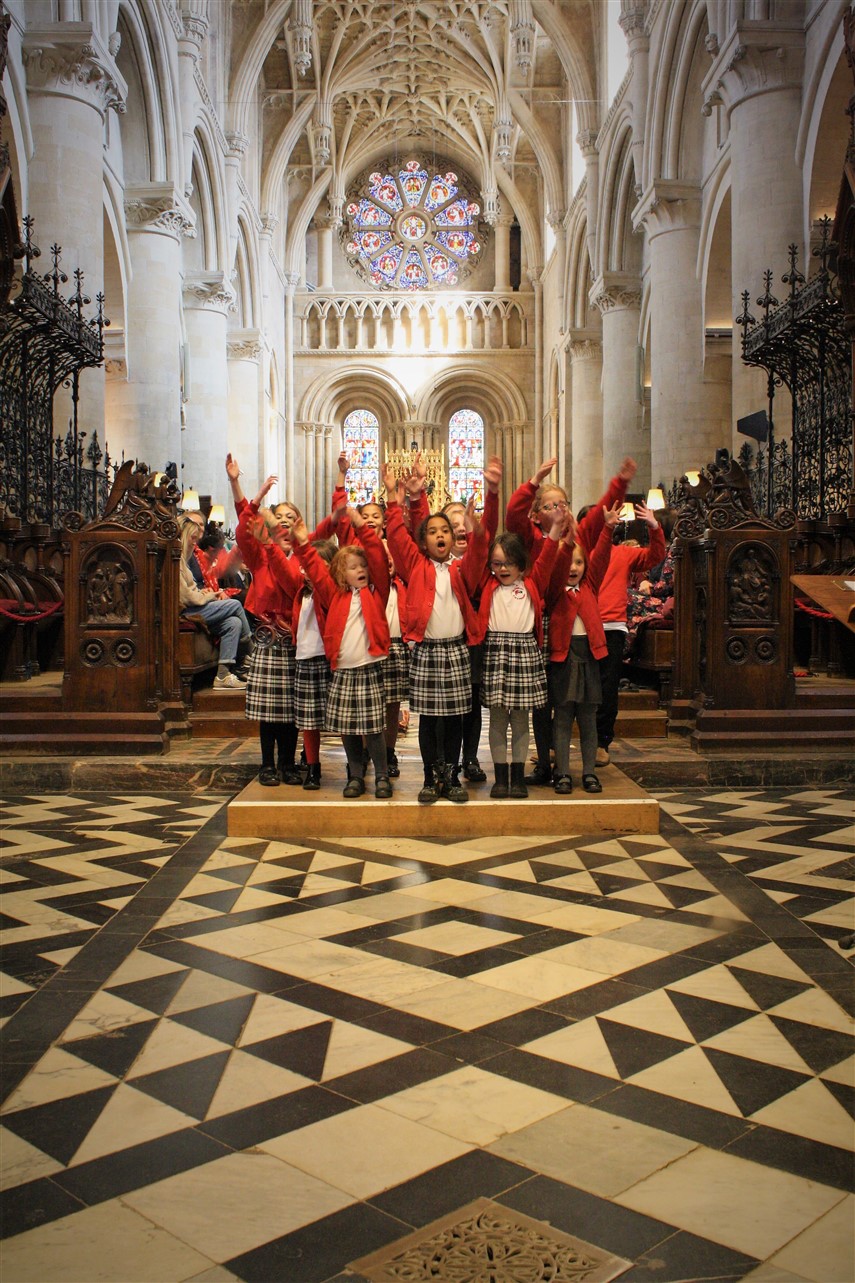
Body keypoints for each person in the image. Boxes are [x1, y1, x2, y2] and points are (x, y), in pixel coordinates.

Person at [505, 455, 637, 785]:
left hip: (568, 627)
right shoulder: (531, 538)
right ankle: (546, 759)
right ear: (537, 514)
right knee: (542, 702)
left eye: (563, 503)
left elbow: (598, 518)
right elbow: (512, 515)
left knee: (569, 703)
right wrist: (534, 481)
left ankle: (569, 762)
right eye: (550, 506)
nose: (559, 509)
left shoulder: (577, 539)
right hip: (539, 626)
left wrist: (619, 484)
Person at [383, 462, 489, 804]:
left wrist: (473, 530)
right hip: (427, 652)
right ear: (424, 541)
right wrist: (403, 499)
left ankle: (451, 775)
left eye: (446, 530)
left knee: (456, 720)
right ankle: (430, 776)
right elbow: (398, 538)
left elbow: (478, 554)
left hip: (456, 650)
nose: (441, 535)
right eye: (433, 531)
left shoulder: (460, 570)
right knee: (428, 719)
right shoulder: (415, 566)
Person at [290, 509, 392, 798]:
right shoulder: (334, 595)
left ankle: (382, 775)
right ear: (339, 573)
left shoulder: (377, 591)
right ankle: (355, 775)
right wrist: (301, 543)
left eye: (363, 565)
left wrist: (361, 525)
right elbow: (314, 567)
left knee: (373, 729)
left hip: (368, 669)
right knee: (348, 729)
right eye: (352, 567)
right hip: (343, 671)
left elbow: (377, 555)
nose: (360, 570)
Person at [476, 526, 558, 798]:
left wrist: (555, 530)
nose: (503, 568)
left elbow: (547, 559)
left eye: (509, 563)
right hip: (496, 652)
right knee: (498, 720)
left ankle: (518, 776)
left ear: (522, 565)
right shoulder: (488, 586)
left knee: (522, 721)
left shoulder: (532, 584)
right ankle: (500, 777)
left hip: (524, 652)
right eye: (497, 563)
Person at [544, 501, 620, 794]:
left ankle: (588, 772)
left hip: (589, 656)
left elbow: (600, 557)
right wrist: (565, 545)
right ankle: (562, 772)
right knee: (562, 718)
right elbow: (560, 563)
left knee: (588, 719)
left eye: (579, 563)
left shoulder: (590, 586)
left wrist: (608, 528)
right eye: (569, 563)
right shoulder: (554, 591)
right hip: (564, 657)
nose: (573, 568)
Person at [590, 501, 666, 766]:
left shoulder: (622, 554)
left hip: (611, 627)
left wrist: (654, 526)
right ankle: (558, 744)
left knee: (607, 688)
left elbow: (654, 556)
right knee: (572, 688)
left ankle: (601, 743)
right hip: (580, 628)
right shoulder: (577, 554)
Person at [178, 513, 251, 689]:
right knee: (234, 604)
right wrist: (211, 595)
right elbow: (186, 597)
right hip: (185, 612)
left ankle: (223, 675)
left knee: (233, 622)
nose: (194, 543)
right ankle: (251, 654)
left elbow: (193, 590)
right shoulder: (175, 561)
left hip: (194, 607)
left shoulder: (182, 560)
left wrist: (207, 593)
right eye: (192, 539)